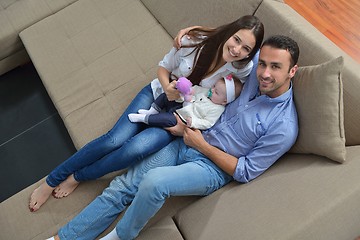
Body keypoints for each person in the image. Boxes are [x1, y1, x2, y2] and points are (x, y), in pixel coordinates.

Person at [46, 34, 300, 240]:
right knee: (122, 186)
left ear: (292, 71)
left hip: (210, 167)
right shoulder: (257, 66)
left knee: (155, 182)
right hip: (187, 140)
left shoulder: (284, 127)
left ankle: (120, 236)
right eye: (263, 64)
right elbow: (235, 38)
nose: (265, 73)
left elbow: (245, 171)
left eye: (275, 67)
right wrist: (191, 32)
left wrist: (201, 144)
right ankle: (63, 238)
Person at [29, 15, 264, 212]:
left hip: (179, 115)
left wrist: (184, 126)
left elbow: (262, 57)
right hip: (158, 92)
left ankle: (78, 176)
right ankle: (51, 181)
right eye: (236, 39)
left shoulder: (243, 68)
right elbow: (163, 67)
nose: (237, 50)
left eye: (246, 49)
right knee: (114, 139)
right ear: (230, 32)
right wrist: (169, 86)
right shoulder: (194, 41)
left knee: (135, 149)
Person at [128, 75, 243, 130]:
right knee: (166, 96)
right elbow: (194, 89)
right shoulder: (206, 91)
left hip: (181, 118)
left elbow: (208, 123)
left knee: (166, 119)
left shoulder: (217, 109)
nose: (212, 90)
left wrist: (194, 122)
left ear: (224, 101)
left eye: (216, 92)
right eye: (213, 87)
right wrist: (188, 90)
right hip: (180, 104)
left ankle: (144, 118)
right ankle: (152, 110)